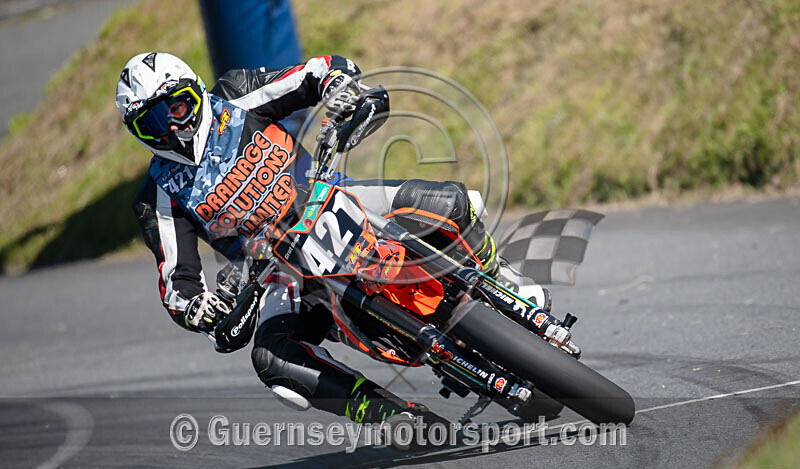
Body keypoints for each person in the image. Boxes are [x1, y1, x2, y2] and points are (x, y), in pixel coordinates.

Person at [116, 52, 546, 441]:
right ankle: (391, 417)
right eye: (152, 122)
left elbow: (316, 72)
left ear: (195, 91)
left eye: (178, 105)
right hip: (276, 271)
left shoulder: (235, 95)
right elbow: (178, 280)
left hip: (335, 198)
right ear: (138, 131)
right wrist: (197, 307)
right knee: (272, 359)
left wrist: (338, 88)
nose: (172, 125)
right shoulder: (156, 195)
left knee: (452, 203)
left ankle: (498, 275)